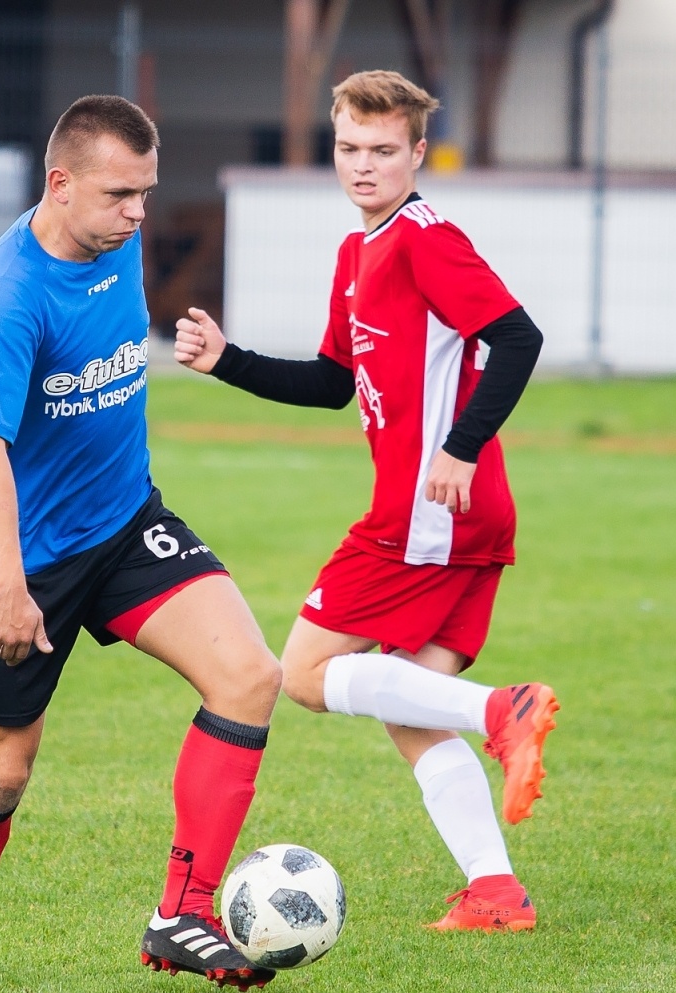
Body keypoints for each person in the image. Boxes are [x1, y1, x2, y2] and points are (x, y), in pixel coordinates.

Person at [0, 95, 283, 988]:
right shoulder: (7, 295)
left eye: (147, 193)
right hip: (25, 564)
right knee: (1, 774)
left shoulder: (117, 241)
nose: (140, 213)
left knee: (251, 675)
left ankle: (182, 916)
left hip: (124, 523)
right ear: (60, 183)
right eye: (121, 194)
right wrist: (7, 583)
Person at [175, 70, 558, 931]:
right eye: (349, 148)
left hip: (428, 514)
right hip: (456, 516)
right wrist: (228, 359)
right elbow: (333, 383)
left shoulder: (426, 238)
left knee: (303, 674)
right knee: (404, 702)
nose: (363, 165)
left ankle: (505, 709)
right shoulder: (358, 252)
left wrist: (459, 446)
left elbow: (518, 337)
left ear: (417, 153)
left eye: (384, 151)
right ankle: (496, 892)